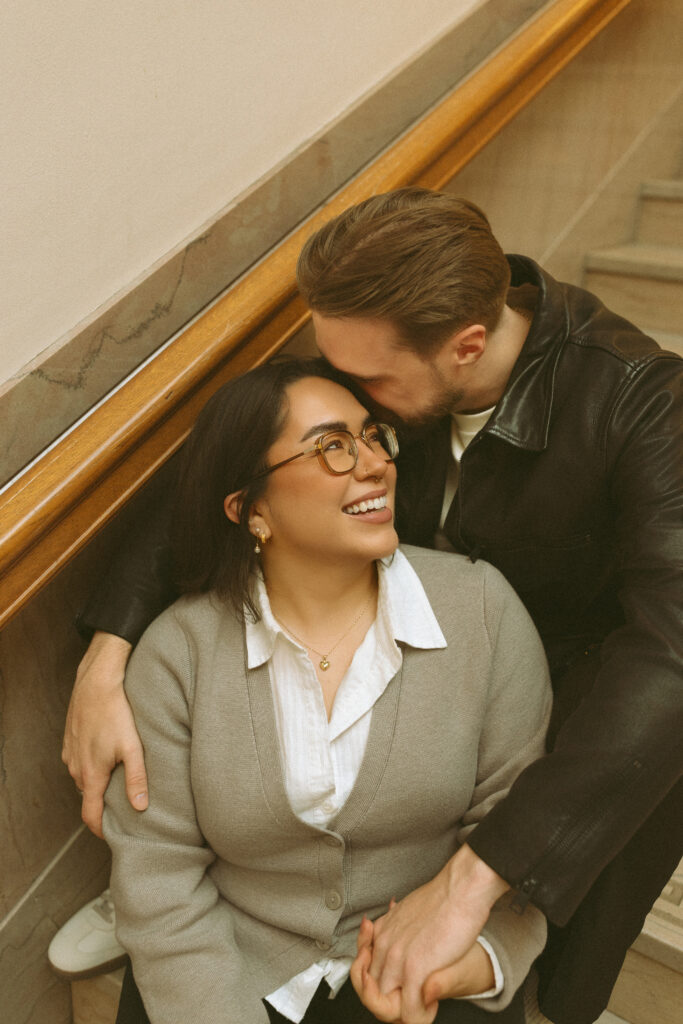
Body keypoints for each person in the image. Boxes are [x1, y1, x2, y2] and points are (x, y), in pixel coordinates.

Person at [62, 188, 682, 1024]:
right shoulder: (380, 339)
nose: (352, 411)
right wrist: (108, 658)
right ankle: (221, 887)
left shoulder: (642, 402)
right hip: (369, 618)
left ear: (466, 348)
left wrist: (474, 883)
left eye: (366, 390)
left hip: (567, 683)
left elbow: (667, 653)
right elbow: (226, 472)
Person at [102, 358, 551, 1024]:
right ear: (251, 510)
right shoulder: (180, 653)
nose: (373, 465)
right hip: (221, 972)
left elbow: (522, 830)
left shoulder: (480, 611)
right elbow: (158, 877)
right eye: (331, 447)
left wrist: (471, 962)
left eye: (372, 437)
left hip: (423, 971)